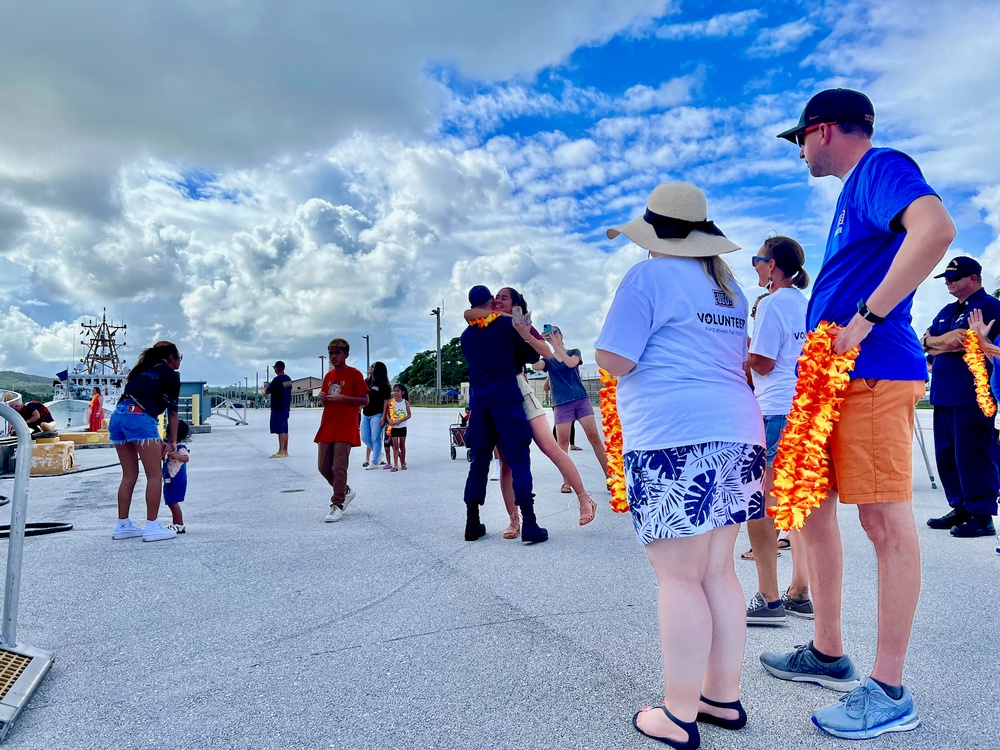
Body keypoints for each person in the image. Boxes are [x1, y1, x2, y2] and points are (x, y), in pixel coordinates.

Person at [762, 88, 956, 740]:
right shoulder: (854, 195)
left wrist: (869, 314)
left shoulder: (880, 169)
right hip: (831, 381)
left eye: (800, 141)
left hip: (873, 372)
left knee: (882, 520)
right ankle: (827, 649)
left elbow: (936, 229)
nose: (801, 153)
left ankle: (891, 688)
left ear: (821, 132)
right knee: (810, 508)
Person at [596, 182, 764, 749]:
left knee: (679, 577)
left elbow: (615, 359)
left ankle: (678, 713)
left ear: (653, 235)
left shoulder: (648, 277)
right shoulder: (729, 289)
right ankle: (721, 698)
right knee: (718, 571)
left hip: (674, 436)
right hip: (736, 433)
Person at [466, 287, 597, 535]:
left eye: (503, 297)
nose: (497, 300)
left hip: (519, 390)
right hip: (500, 396)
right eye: (496, 297)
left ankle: (584, 498)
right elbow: (469, 311)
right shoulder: (487, 321)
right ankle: (514, 521)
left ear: (516, 305)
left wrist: (524, 331)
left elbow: (546, 353)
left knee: (550, 447)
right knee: (505, 462)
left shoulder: (517, 324)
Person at [743, 236, 814, 625]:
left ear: (773, 267)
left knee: (761, 503)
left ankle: (769, 598)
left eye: (757, 260)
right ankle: (799, 591)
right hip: (802, 410)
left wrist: (741, 356)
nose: (755, 266)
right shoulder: (805, 305)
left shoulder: (770, 304)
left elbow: (765, 364)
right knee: (799, 505)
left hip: (774, 410)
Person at [460, 285, 546, 544]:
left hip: (479, 406)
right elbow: (532, 356)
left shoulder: (466, 336)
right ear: (490, 302)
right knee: (519, 460)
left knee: (479, 464)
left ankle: (472, 522)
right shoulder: (506, 326)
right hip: (507, 402)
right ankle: (529, 523)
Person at [921, 256, 1000, 537]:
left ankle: (981, 514)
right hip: (943, 393)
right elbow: (925, 341)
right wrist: (941, 342)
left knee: (973, 454)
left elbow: (960, 341)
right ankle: (961, 507)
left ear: (974, 279)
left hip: (972, 394)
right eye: (946, 279)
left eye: (955, 278)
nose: (948, 283)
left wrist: (941, 341)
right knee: (947, 455)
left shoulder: (989, 306)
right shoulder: (947, 310)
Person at [108, 341, 184, 543]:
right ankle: (152, 526)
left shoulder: (140, 370)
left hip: (117, 417)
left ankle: (122, 524)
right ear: (171, 358)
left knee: (129, 474)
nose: (179, 362)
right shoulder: (170, 374)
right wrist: (172, 441)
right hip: (140, 417)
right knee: (154, 475)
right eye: (179, 358)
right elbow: (173, 412)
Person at [532, 326, 609, 484]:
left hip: (580, 399)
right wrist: (536, 341)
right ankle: (567, 481)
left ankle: (609, 476)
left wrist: (556, 346)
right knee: (563, 443)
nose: (553, 335)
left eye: (555, 332)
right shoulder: (547, 359)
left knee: (594, 437)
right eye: (549, 333)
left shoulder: (574, 351)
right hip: (561, 404)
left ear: (561, 335)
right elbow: (535, 366)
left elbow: (571, 364)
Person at [315, 338, 369, 523]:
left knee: (339, 466)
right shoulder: (329, 376)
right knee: (323, 466)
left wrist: (343, 398)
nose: (333, 356)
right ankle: (345, 491)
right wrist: (323, 398)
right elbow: (327, 400)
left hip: (345, 425)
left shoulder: (354, 375)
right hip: (328, 425)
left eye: (337, 352)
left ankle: (337, 504)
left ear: (346, 354)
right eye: (331, 353)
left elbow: (364, 400)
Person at [362, 362, 392, 469]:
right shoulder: (367, 382)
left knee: (376, 438)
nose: (369, 367)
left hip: (377, 413)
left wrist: (384, 417)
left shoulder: (385, 385)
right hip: (366, 413)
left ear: (377, 369)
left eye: (372, 366)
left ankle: (374, 461)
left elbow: (386, 402)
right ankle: (378, 454)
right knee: (364, 437)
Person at [162, 420, 191, 534]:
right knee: (170, 501)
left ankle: (179, 524)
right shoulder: (170, 447)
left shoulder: (180, 448)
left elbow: (186, 458)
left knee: (173, 502)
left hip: (176, 479)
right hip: (169, 478)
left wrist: (176, 455)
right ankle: (176, 523)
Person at [264, 361, 292, 458]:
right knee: (285, 429)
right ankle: (285, 450)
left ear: (276, 368)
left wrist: (266, 386)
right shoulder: (288, 379)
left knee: (280, 429)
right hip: (286, 407)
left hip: (277, 407)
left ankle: (281, 451)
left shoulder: (277, 380)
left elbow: (267, 391)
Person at [384, 384, 411, 471]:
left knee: (402, 445)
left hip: (402, 427)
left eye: (397, 391)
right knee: (395, 446)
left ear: (402, 392)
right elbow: (387, 414)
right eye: (394, 391)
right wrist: (389, 421)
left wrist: (400, 420)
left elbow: (409, 415)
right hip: (394, 427)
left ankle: (403, 462)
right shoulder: (391, 402)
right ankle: (395, 465)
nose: (395, 393)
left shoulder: (405, 402)